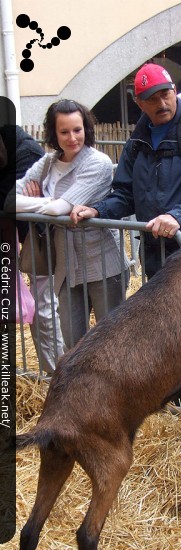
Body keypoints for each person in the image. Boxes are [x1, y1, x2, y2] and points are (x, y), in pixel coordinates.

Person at [72, 63, 181, 279]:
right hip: (155, 253)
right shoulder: (137, 141)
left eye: (166, 94)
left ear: (174, 92)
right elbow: (126, 194)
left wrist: (177, 217)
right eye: (152, 99)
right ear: (140, 103)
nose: (162, 104)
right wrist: (98, 210)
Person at [16, 99, 130, 350]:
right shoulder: (48, 162)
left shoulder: (97, 163)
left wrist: (41, 203)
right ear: (54, 133)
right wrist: (48, 204)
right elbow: (11, 199)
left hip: (102, 263)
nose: (71, 138)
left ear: (86, 129)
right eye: (64, 131)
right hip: (66, 266)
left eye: (77, 130)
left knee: (111, 343)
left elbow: (60, 209)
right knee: (73, 344)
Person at [7, 125, 65, 374]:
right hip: (22, 235)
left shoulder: (24, 151)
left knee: (43, 307)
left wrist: (27, 201)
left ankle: (56, 375)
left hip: (39, 237)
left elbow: (9, 198)